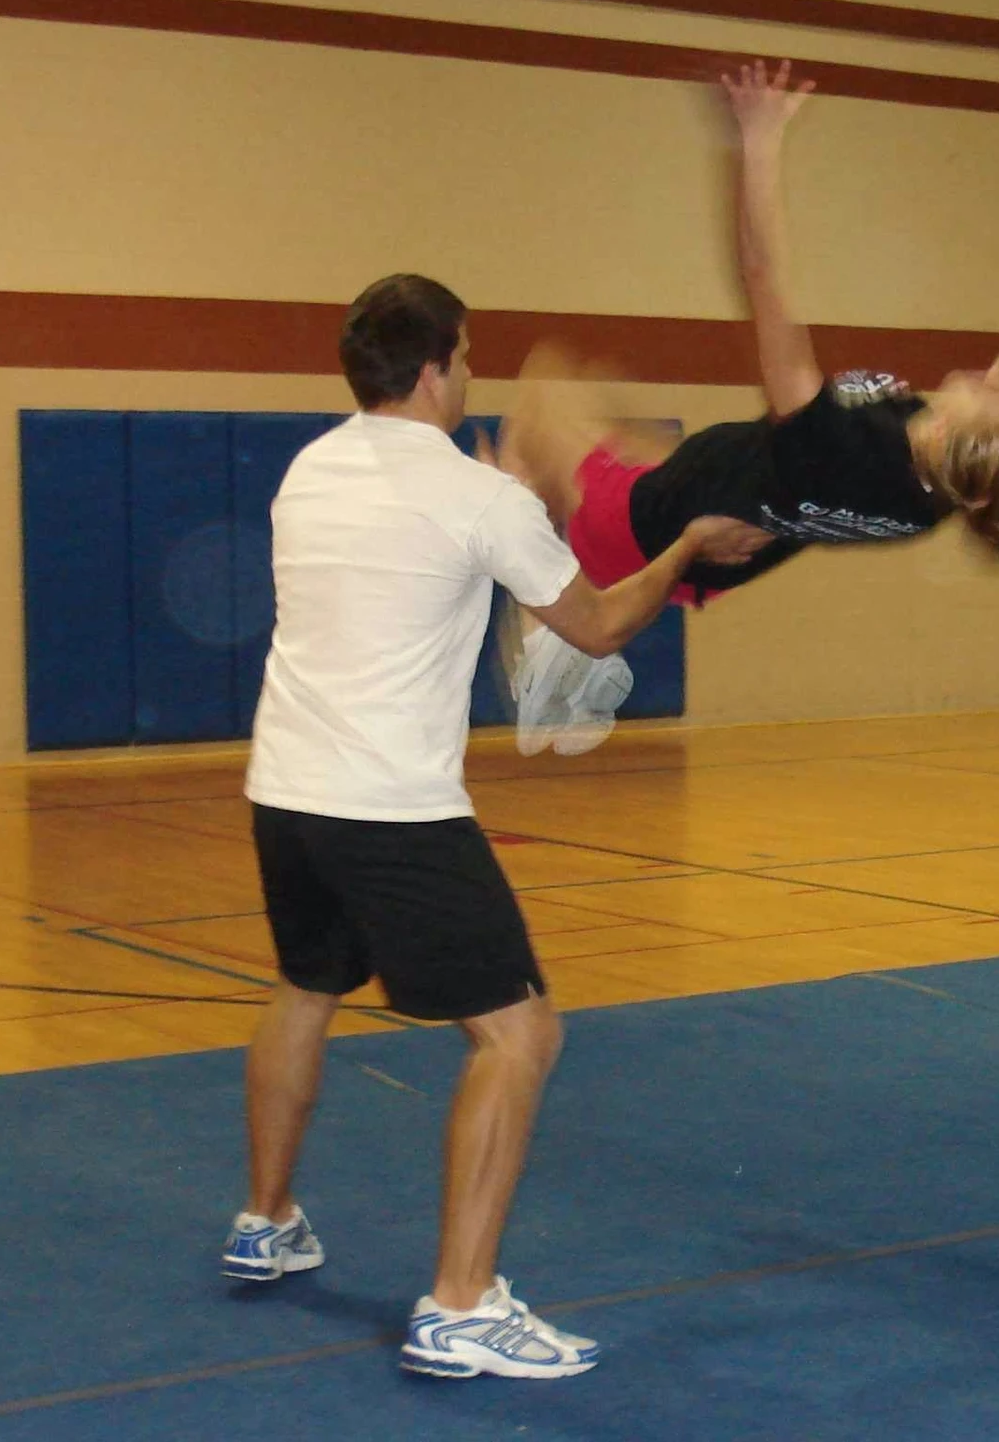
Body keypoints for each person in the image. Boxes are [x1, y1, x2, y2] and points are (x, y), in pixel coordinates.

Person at [220, 273, 767, 1380]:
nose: (470, 371)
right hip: (392, 807)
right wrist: (684, 549)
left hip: (286, 788)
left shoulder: (310, 469)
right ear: (435, 369)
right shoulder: (475, 499)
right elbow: (599, 624)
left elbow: (418, 553)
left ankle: (266, 1220)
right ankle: (461, 1305)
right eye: (465, 355)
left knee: (306, 987)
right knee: (520, 1036)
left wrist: (508, 498)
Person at [506, 59, 999, 751]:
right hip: (704, 551)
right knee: (612, 417)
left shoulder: (835, 440)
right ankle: (554, 596)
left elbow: (762, 276)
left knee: (545, 385)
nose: (998, 380)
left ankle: (543, 622)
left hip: (641, 527)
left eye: (994, 397)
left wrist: (758, 142)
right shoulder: (940, 491)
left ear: (951, 432)